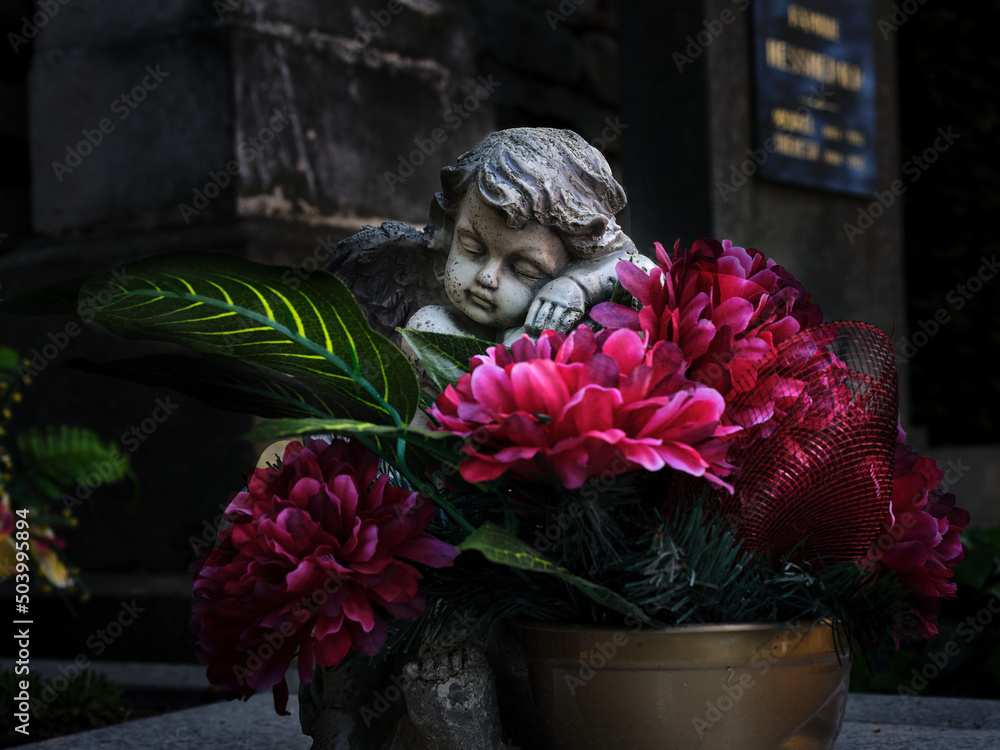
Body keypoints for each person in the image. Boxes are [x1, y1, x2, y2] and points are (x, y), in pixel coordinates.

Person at [405, 127, 652, 344]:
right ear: (451, 228)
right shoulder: (433, 329)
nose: (487, 277)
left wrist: (578, 286)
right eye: (472, 248)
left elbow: (647, 275)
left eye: (525, 270)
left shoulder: (575, 323)